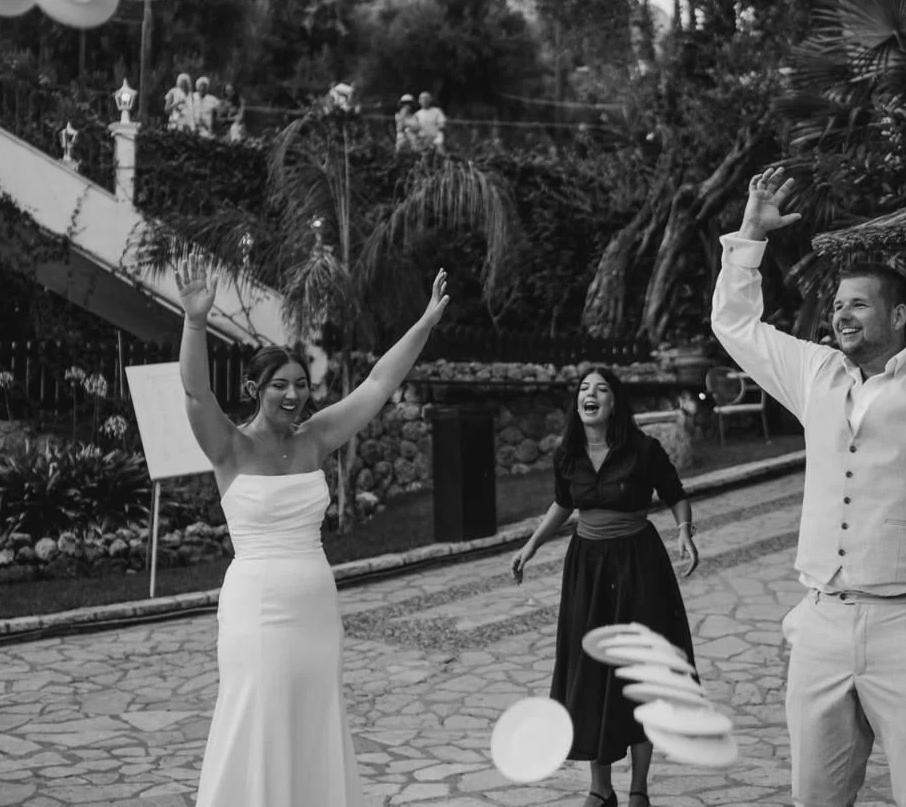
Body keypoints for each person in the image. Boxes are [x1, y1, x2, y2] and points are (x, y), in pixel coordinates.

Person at [710, 167, 906, 807]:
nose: (840, 314)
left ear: (899, 315)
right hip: (822, 621)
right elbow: (736, 326)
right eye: (837, 306)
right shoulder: (816, 373)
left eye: (857, 304)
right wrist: (750, 238)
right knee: (814, 798)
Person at [175, 256, 450, 807]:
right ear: (254, 388)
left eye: (301, 384)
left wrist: (424, 323)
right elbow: (197, 395)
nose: (293, 395)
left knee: (314, 717)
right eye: (279, 385)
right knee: (257, 710)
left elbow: (378, 383)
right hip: (255, 610)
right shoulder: (229, 447)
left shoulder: (315, 438)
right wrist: (195, 322)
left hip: (316, 611)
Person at [511, 367, 700, 807]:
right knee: (591, 672)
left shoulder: (643, 450)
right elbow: (564, 503)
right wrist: (531, 545)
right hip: (588, 571)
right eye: (583, 389)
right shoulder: (568, 455)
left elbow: (675, 494)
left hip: (639, 567)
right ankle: (600, 789)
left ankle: (639, 789)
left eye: (600, 389)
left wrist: (684, 532)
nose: (590, 394)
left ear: (614, 402)